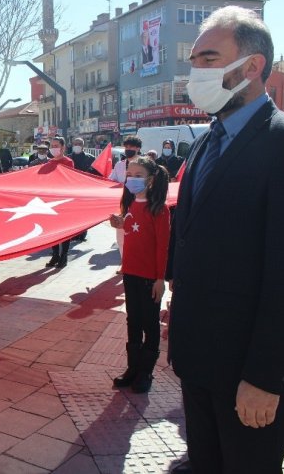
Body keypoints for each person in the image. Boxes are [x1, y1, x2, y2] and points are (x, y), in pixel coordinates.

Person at [167, 6, 284, 473]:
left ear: (252, 67)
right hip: (198, 362)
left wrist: (266, 378)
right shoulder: (206, 141)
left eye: (209, 59)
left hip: (251, 376)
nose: (196, 73)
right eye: (194, 61)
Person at [108, 157, 170, 393]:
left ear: (151, 180)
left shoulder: (160, 210)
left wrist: (159, 279)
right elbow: (133, 228)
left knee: (149, 323)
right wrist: (120, 223)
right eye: (129, 175)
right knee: (132, 320)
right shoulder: (131, 203)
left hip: (148, 278)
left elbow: (162, 247)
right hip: (130, 273)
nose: (131, 180)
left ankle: (146, 372)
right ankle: (132, 368)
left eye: (138, 175)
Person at [37, 141, 76, 268]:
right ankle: (55, 255)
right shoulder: (49, 163)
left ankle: (63, 256)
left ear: (63, 147)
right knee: (52, 228)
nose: (53, 148)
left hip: (64, 199)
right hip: (50, 200)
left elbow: (70, 180)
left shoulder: (68, 162)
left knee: (64, 229)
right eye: (52, 146)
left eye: (56, 146)